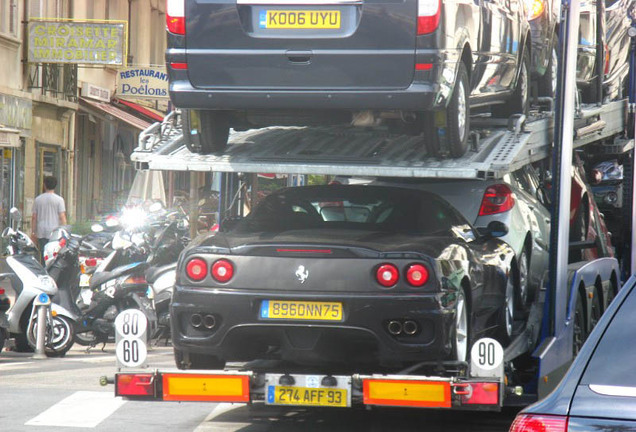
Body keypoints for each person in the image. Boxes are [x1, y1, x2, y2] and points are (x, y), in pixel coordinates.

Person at [31, 176, 67, 257]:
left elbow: (34, 217)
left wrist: (33, 232)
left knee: (44, 254)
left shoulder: (38, 199)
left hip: (41, 231)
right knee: (54, 254)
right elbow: (62, 216)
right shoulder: (59, 200)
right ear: (55, 186)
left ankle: (43, 268)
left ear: (44, 185)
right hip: (54, 232)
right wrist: (65, 231)